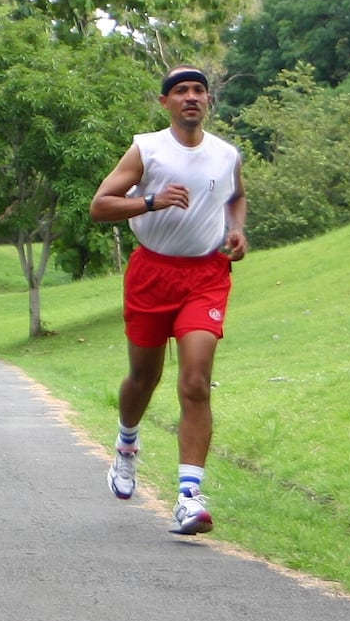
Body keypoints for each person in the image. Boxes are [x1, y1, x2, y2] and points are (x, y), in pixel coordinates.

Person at [89, 65, 248, 535]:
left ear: (208, 101)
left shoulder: (226, 154)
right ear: (166, 103)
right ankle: (126, 445)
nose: (191, 97)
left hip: (206, 275)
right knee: (144, 377)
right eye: (181, 91)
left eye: (199, 90)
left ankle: (188, 497)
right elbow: (100, 206)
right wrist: (151, 201)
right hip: (152, 273)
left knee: (196, 381)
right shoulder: (147, 148)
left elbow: (236, 195)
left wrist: (236, 230)